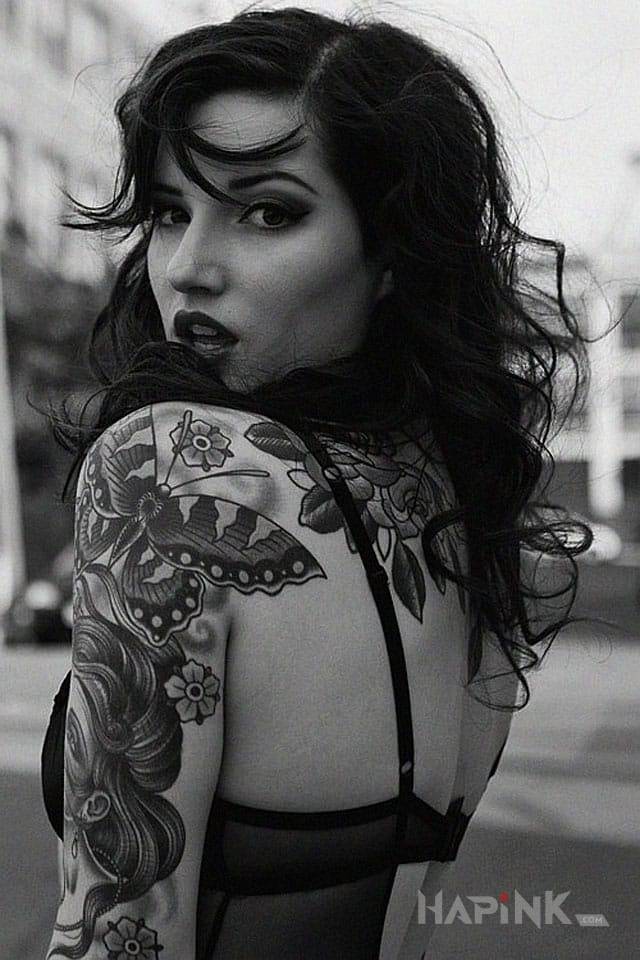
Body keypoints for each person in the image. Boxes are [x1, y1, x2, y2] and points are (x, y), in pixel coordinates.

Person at [39, 6, 611, 959]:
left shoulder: (177, 463)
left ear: (391, 253)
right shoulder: (457, 502)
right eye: (172, 212)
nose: (188, 270)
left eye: (269, 212)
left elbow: (121, 935)